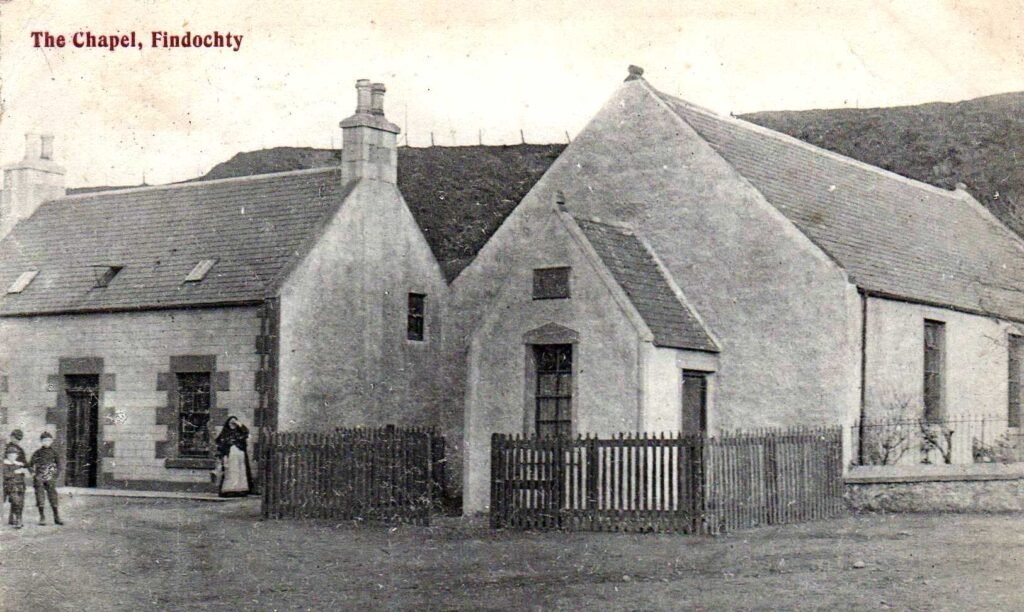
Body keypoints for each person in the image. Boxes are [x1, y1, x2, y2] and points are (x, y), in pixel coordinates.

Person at [30, 432, 62, 526]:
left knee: (53, 496)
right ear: (41, 441)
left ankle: (56, 517)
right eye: (44, 440)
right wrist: (33, 473)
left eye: (48, 440)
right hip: (39, 476)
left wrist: (55, 475)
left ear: (51, 441)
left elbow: (59, 465)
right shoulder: (37, 453)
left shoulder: (54, 453)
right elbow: (30, 464)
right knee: (40, 496)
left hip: (50, 476)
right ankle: (42, 517)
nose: (46, 442)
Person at [215, 416, 252, 497]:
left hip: (239, 455)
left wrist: (240, 424)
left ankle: (240, 489)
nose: (233, 425)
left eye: (234, 423)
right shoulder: (225, 433)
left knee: (240, 472)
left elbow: (246, 433)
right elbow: (219, 443)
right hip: (229, 456)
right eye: (231, 423)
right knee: (231, 472)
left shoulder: (240, 432)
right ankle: (230, 489)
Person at [3, 446, 29, 528]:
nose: (12, 457)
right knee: (16, 500)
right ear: (7, 456)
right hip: (9, 486)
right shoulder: (4, 464)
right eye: (10, 455)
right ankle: (18, 519)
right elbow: (5, 475)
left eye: (14, 455)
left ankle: (14, 518)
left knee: (21, 502)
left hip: (20, 485)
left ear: (16, 456)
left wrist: (25, 471)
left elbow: (26, 475)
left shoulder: (19, 464)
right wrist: (15, 472)